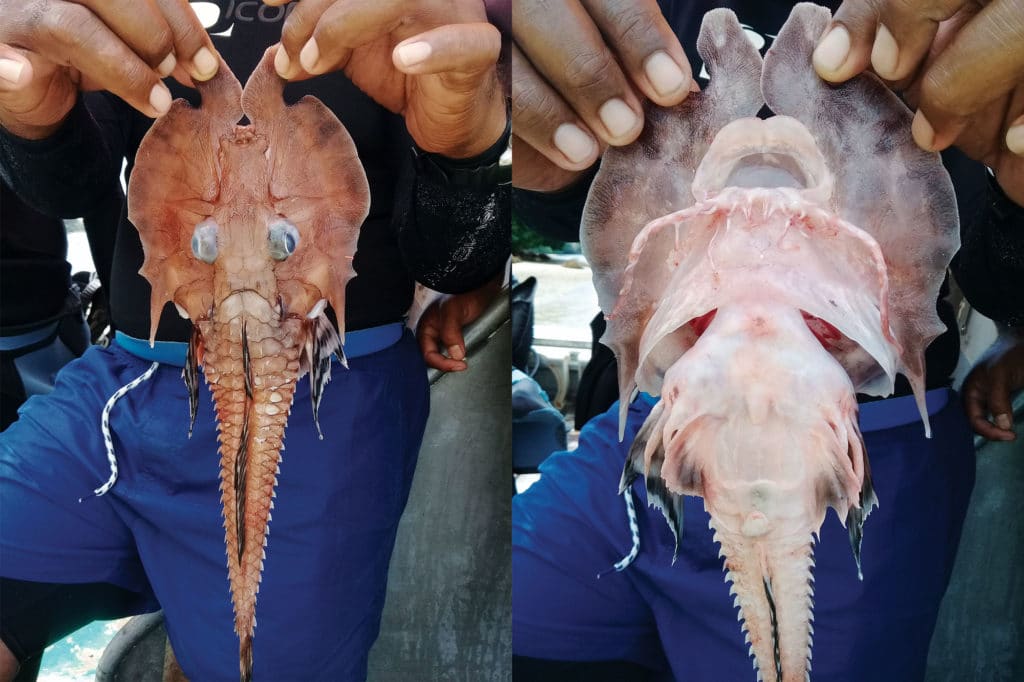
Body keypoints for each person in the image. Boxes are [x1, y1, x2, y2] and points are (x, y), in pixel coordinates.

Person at [511, 0, 1020, 679]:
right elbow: (573, 203)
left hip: (869, 440)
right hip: (645, 426)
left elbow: (993, 272)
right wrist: (539, 152)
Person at [0, 1, 509, 680]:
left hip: (329, 400)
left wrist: (463, 149)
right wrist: (33, 115)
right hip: (123, 384)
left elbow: (451, 255)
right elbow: (75, 185)